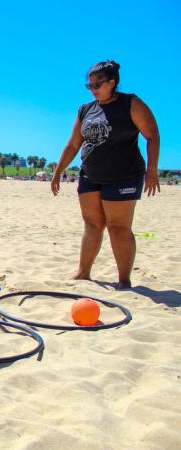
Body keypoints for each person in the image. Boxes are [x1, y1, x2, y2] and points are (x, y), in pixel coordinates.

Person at [51, 60, 160, 290]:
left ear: (112, 82)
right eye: (89, 85)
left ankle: (124, 280)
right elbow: (73, 144)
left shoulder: (130, 103)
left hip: (124, 176)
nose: (93, 89)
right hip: (90, 175)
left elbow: (152, 135)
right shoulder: (85, 110)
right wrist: (58, 172)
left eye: (97, 84)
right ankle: (83, 273)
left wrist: (152, 172)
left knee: (118, 227)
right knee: (92, 224)